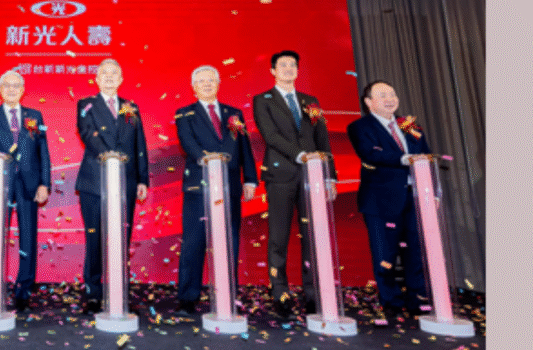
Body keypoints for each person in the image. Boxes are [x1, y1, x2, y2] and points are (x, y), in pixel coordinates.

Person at [251, 50, 337, 319]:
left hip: (312, 177)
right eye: (283, 65)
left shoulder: (310, 101)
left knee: (311, 236)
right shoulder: (263, 100)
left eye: (293, 65)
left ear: (298, 71)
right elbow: (271, 135)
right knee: (278, 237)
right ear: (273, 71)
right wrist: (300, 155)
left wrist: (330, 175)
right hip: (281, 174)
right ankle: (281, 294)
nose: (289, 68)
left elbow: (322, 139)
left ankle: (312, 295)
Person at [174, 65, 257, 315]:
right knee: (193, 242)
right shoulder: (184, 113)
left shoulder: (234, 114)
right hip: (198, 186)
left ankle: (226, 295)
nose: (207, 84)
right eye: (201, 81)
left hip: (229, 186)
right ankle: (188, 298)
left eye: (211, 80)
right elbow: (188, 143)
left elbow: (244, 147)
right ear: (194, 86)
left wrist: (250, 179)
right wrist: (209, 160)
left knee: (228, 241)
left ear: (218, 83)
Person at [346, 80, 431, 319]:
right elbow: (370, 153)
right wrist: (405, 159)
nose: (389, 98)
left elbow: (425, 154)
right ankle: (391, 300)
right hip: (380, 200)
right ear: (369, 102)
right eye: (382, 95)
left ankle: (418, 299)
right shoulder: (359, 126)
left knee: (415, 250)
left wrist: (432, 192)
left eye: (392, 94)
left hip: (414, 197)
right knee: (385, 253)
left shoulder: (410, 125)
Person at [75, 58, 149, 315]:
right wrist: (110, 157)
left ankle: (119, 291)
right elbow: (86, 133)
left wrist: (142, 179)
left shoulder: (131, 107)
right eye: (104, 73)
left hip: (126, 182)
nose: (108, 77)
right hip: (94, 182)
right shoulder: (86, 105)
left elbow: (140, 143)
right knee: (94, 239)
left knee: (121, 239)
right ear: (96, 78)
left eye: (113, 73)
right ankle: (93, 293)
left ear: (120, 79)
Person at [0, 70, 52, 313]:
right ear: (0, 90)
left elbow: (43, 151)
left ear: (22, 90)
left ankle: (23, 290)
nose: (11, 89)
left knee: (28, 237)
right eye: (6, 86)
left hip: (29, 185)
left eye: (16, 86)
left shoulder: (35, 115)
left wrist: (45, 183)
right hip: (2, 182)